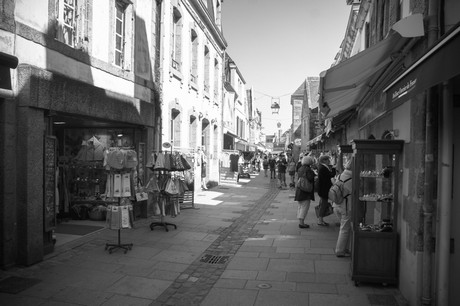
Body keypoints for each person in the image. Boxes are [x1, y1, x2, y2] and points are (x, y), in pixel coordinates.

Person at [333, 158, 353, 257]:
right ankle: (340, 250)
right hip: (345, 206)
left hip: (336, 204)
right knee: (344, 229)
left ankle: (345, 248)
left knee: (345, 228)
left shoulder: (340, 175)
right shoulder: (351, 179)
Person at [294, 156, 316, 228]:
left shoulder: (300, 168)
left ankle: (300, 221)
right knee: (304, 207)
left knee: (300, 206)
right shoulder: (308, 170)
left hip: (299, 189)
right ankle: (302, 223)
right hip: (305, 191)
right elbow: (310, 178)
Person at [316, 154, 336, 226]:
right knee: (323, 204)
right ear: (324, 161)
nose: (329, 161)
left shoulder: (323, 167)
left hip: (323, 189)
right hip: (323, 189)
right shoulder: (323, 168)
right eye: (328, 160)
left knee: (322, 203)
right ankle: (320, 220)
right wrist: (334, 168)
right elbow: (330, 175)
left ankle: (320, 219)